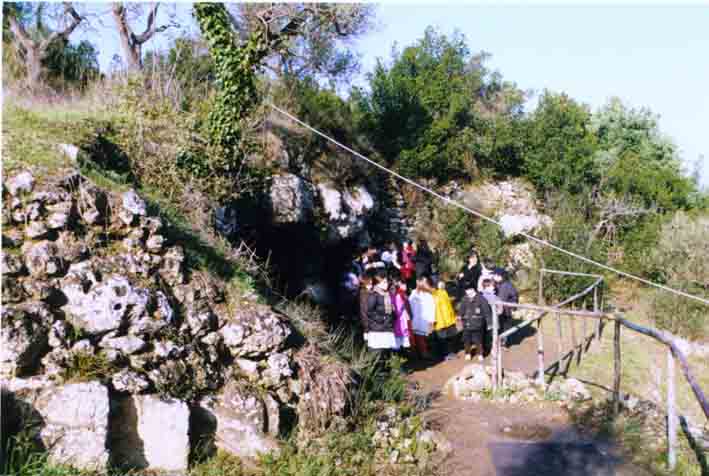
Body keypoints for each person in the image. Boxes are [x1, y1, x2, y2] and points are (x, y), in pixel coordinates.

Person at [365, 271, 396, 355]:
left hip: (387, 327)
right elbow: (369, 311)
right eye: (384, 282)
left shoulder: (387, 294)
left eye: (387, 282)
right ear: (378, 283)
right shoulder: (374, 295)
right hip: (377, 329)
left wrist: (392, 316)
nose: (387, 284)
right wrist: (382, 319)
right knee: (377, 353)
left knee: (386, 352)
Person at [459, 284, 492, 361]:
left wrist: (489, 323)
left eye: (469, 290)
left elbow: (487, 312)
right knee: (466, 340)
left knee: (478, 340)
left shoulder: (481, 299)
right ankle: (468, 353)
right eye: (466, 291)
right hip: (466, 323)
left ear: (473, 290)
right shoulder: (465, 298)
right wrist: (459, 316)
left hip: (478, 323)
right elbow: (461, 309)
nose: (467, 292)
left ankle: (480, 354)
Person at [409, 275, 436, 360]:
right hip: (415, 321)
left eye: (425, 283)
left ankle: (424, 353)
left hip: (425, 321)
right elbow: (410, 307)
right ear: (418, 282)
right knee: (417, 338)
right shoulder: (413, 294)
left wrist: (431, 321)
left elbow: (432, 308)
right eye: (423, 282)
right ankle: (420, 354)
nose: (424, 284)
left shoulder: (429, 295)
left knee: (424, 338)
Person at [432, 280, 458, 361]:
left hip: (448, 320)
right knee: (443, 339)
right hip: (441, 321)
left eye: (443, 284)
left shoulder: (445, 292)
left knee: (449, 338)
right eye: (440, 284)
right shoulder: (435, 294)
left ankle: (449, 354)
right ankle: (445, 355)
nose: (442, 285)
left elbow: (449, 304)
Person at [494, 269, 519, 347]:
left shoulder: (508, 285)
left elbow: (514, 296)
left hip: (506, 310)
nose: (495, 277)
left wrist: (513, 307)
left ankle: (504, 341)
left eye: (497, 275)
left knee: (505, 326)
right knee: (498, 326)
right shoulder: (496, 284)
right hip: (497, 309)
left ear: (502, 276)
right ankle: (498, 340)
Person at [391, 276, 412, 350]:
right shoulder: (399, 295)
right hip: (399, 319)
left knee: (401, 338)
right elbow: (399, 308)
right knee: (400, 337)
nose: (405, 286)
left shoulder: (401, 294)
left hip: (400, 318)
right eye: (403, 284)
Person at [359, 273, 374, 342]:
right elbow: (364, 309)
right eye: (369, 283)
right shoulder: (364, 293)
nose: (371, 285)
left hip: (370, 321)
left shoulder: (367, 291)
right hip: (368, 322)